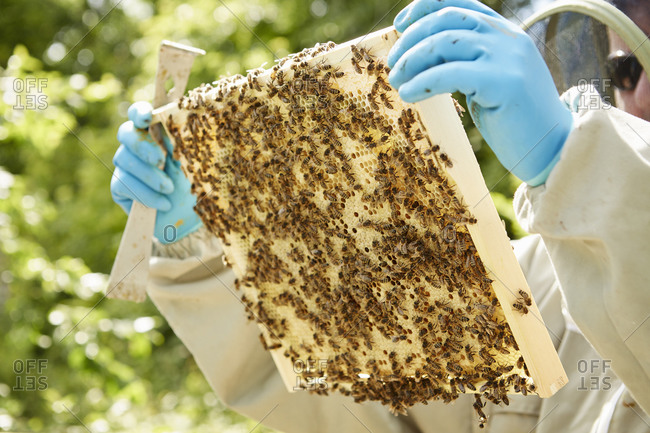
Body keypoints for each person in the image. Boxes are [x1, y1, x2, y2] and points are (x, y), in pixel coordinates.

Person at [110, 0, 650, 431]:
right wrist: (202, 235)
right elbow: (353, 404)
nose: (640, 89)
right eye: (622, 69)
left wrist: (575, 164)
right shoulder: (536, 282)